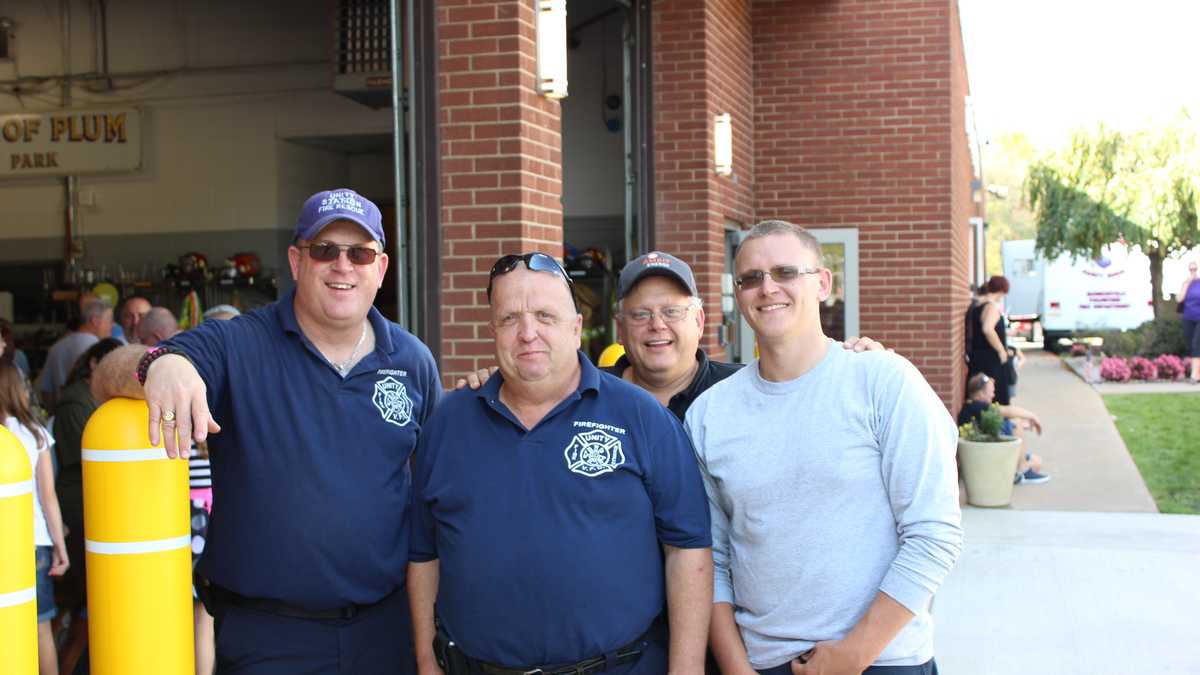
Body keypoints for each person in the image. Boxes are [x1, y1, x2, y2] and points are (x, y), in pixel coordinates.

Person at [90, 188, 441, 674]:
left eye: (359, 253)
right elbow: (106, 373)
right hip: (267, 639)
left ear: (380, 269)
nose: (343, 266)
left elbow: (432, 502)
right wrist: (160, 363)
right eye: (325, 251)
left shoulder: (412, 361)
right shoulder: (237, 344)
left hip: (384, 633)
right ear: (297, 262)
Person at [409, 252, 713, 675]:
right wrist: (427, 659)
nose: (528, 333)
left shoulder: (641, 416)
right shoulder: (447, 423)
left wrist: (686, 670)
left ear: (576, 328)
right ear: (493, 330)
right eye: (510, 318)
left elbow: (688, 550)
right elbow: (424, 554)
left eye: (545, 316)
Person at [686, 220, 963, 675]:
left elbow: (934, 533)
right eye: (750, 278)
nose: (767, 288)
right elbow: (712, 558)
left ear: (822, 283)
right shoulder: (711, 413)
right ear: (737, 295)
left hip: (882, 659)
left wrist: (854, 655)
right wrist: (737, 668)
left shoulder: (882, 380)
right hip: (762, 662)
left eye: (785, 272)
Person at [2, 362, 70, 675]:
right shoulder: (35, 434)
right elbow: (48, 496)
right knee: (41, 625)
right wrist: (60, 546)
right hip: (34, 540)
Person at [958, 373, 1049, 484]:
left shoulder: (975, 407)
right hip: (985, 455)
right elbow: (1007, 411)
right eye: (991, 392)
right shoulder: (975, 406)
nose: (993, 395)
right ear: (981, 393)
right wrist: (1033, 416)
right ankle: (1022, 470)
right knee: (1016, 422)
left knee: (1037, 462)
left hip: (991, 448)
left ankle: (1018, 471)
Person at [39, 297, 114, 413]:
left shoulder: (56, 347)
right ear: (95, 321)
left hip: (62, 414)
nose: (112, 325)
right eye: (109, 320)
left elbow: (47, 391)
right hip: (91, 416)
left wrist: (54, 415)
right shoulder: (98, 349)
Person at [966, 275, 1012, 404]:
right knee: (995, 397)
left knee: (981, 396)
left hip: (979, 357)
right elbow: (988, 329)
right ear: (1002, 291)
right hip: (990, 360)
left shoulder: (977, 305)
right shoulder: (991, 307)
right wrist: (1001, 351)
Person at [1179, 260, 1200, 383]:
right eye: (1191, 269)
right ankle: (1197, 374)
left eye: (1195, 269)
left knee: (1196, 344)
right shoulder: (1186, 283)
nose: (1193, 271)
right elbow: (1179, 299)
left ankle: (1193, 375)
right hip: (1188, 317)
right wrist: (1186, 284)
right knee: (1192, 346)